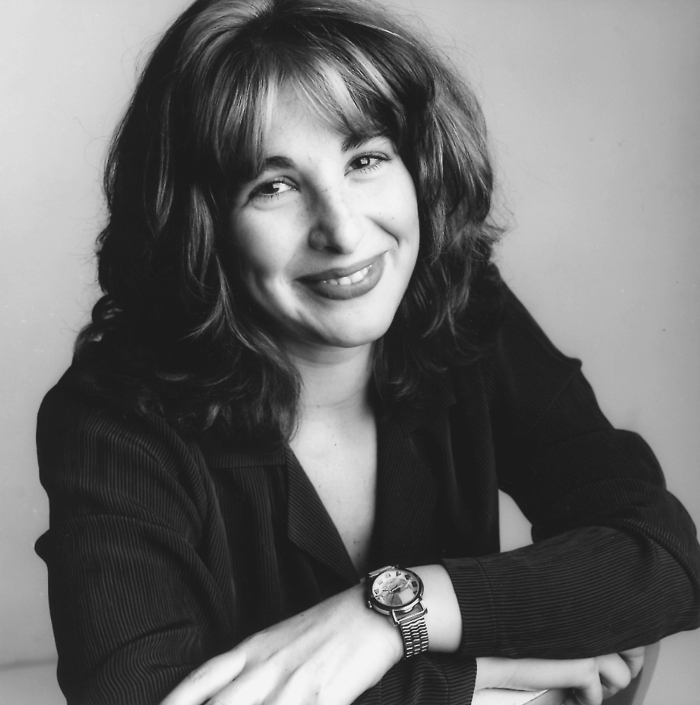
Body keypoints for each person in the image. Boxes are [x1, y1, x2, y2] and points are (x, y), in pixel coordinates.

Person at [35, 0, 700, 703]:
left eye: (366, 159)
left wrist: (388, 614)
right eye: (274, 186)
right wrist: (477, 673)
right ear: (200, 225)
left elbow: (662, 557)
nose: (344, 233)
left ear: (418, 168)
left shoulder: (462, 313)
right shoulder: (111, 417)